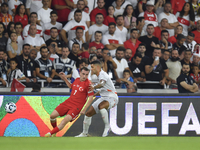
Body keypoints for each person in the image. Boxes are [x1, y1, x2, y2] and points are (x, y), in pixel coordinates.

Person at [45, 67, 94, 137]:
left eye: (86, 75)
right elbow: (71, 86)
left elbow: (91, 98)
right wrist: (65, 78)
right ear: (80, 73)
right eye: (83, 74)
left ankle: (50, 134)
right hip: (68, 102)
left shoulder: (88, 84)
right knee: (52, 116)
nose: (84, 76)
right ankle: (54, 131)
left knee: (65, 120)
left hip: (76, 107)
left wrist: (84, 109)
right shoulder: (77, 79)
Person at [76, 60, 118, 137]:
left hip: (112, 97)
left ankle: (107, 127)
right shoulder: (98, 76)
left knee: (101, 106)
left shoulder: (103, 74)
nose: (91, 69)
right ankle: (84, 133)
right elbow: (103, 88)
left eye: (92, 67)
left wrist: (93, 87)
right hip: (104, 97)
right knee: (88, 114)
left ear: (97, 67)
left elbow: (102, 84)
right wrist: (95, 93)